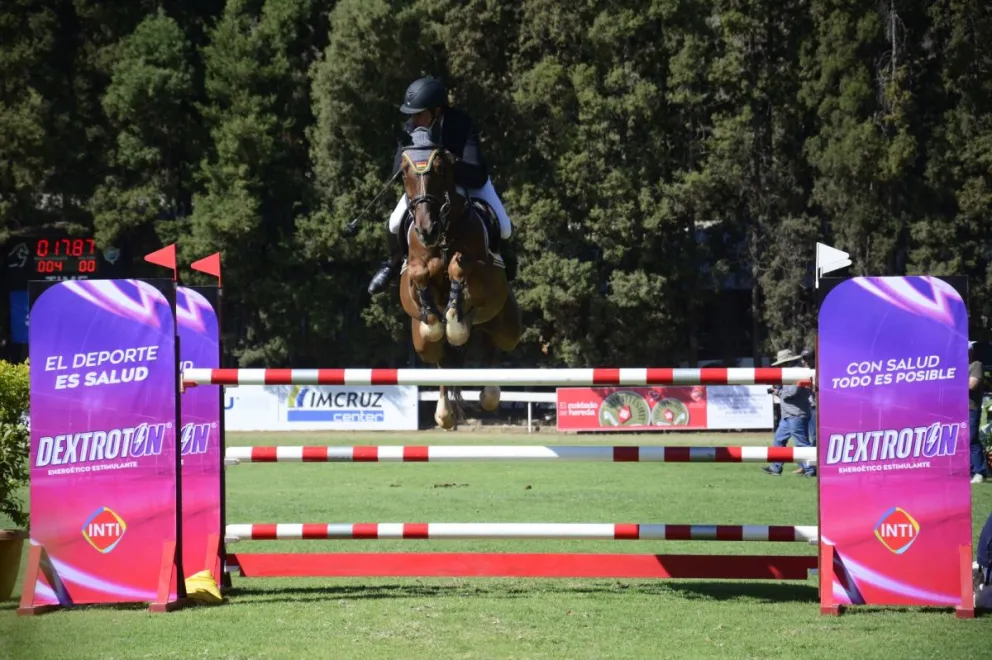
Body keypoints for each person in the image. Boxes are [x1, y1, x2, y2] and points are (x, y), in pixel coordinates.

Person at [367, 76, 515, 295]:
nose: (414, 120)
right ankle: (393, 263)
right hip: (426, 187)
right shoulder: (410, 129)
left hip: (469, 181)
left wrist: (447, 163)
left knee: (504, 227)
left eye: (419, 113)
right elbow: (396, 170)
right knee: (394, 223)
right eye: (412, 114)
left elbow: (475, 171)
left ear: (437, 111)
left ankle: (503, 261)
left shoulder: (461, 124)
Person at [763, 348, 815, 477]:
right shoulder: (792, 372)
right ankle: (776, 468)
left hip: (796, 414)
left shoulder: (797, 373)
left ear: (786, 362)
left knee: (801, 443)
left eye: (781, 363)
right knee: (778, 440)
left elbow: (792, 392)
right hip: (788, 414)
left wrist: (777, 392)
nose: (780, 366)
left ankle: (811, 469)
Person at [969, 341, 989, 484]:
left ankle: (979, 471)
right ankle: (970, 471)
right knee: (962, 443)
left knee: (972, 439)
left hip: (971, 408)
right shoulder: (957, 367)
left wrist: (953, 381)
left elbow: (972, 384)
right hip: (957, 410)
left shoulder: (976, 365)